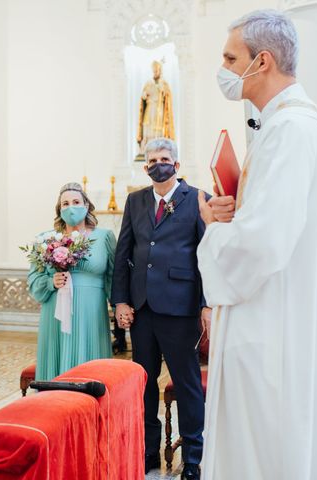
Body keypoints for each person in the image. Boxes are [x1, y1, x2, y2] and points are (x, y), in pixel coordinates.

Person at [197, 10, 317, 480]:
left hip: (271, 332)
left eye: (230, 57)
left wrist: (214, 227)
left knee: (263, 453)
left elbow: (260, 246)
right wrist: (241, 204)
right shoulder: (295, 125)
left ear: (261, 61)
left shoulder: (290, 132)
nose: (222, 68)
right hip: (280, 320)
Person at [111, 138, 209, 480]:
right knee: (143, 383)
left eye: (165, 159)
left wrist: (206, 304)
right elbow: (125, 251)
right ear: (145, 167)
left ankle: (194, 457)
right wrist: (121, 300)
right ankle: (147, 451)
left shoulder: (197, 199)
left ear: (177, 165)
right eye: (152, 160)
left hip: (180, 307)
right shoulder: (135, 200)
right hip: (142, 308)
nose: (158, 164)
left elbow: (208, 256)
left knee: (186, 383)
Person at [28, 182, 116, 381]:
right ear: (59, 210)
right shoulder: (46, 239)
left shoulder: (104, 238)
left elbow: (114, 277)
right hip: (55, 312)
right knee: (57, 366)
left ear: (86, 206)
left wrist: (119, 306)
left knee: (91, 367)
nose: (71, 207)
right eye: (65, 203)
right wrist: (51, 281)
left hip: (91, 313)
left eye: (76, 202)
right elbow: (34, 278)